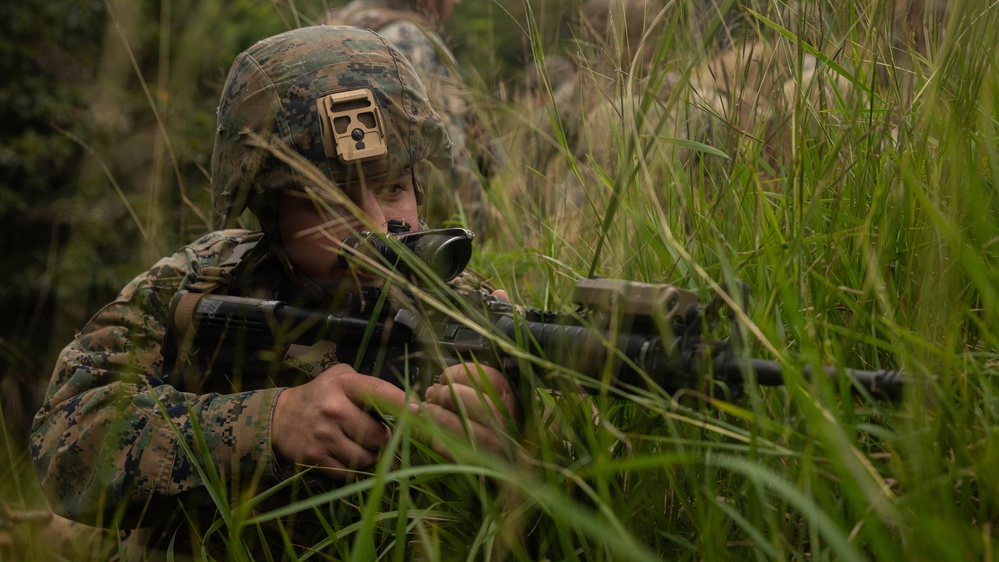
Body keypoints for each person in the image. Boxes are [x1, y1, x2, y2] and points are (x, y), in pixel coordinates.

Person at [30, 25, 518, 558]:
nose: (376, 228)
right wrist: (269, 423)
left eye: (392, 188)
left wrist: (512, 442)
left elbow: (588, 474)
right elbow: (64, 444)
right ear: (268, 209)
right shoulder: (195, 282)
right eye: (327, 201)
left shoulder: (466, 309)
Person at [323, 0, 495, 237]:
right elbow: (445, 162)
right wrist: (475, 228)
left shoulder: (334, 25)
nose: (458, 1)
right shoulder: (409, 40)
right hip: (404, 233)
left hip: (327, 225)